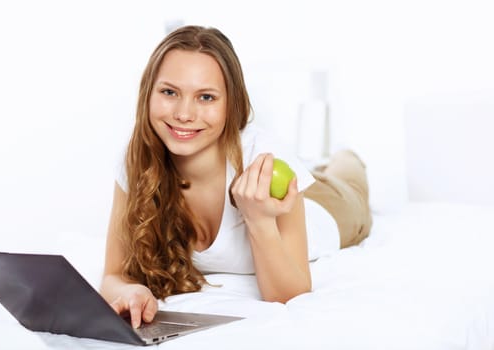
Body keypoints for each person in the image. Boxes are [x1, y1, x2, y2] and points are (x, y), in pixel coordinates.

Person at [99, 25, 372, 329]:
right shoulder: (137, 159)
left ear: (231, 105)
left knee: (347, 175)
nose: (184, 114)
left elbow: (290, 293)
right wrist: (130, 290)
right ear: (147, 94)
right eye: (169, 92)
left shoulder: (264, 156)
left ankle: (346, 156)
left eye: (206, 97)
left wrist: (259, 220)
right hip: (285, 184)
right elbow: (113, 275)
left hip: (330, 209)